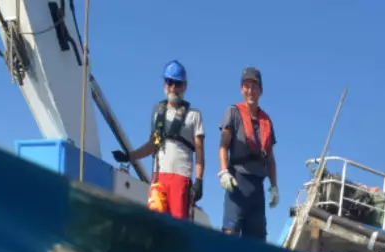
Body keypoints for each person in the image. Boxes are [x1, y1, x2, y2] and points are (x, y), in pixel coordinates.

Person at [112, 60, 205, 221]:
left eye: (177, 83)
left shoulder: (194, 115)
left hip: (181, 178)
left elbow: (200, 153)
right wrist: (129, 156)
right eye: (169, 82)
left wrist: (199, 181)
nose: (173, 88)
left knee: (178, 229)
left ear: (185, 86)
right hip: (159, 178)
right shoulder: (157, 112)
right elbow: (152, 144)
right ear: (164, 83)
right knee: (155, 225)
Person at [218, 67, 279, 239]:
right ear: (241, 89)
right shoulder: (233, 113)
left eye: (254, 87)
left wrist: (274, 187)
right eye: (246, 86)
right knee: (230, 237)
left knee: (256, 245)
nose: (250, 91)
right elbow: (223, 146)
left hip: (257, 190)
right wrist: (223, 172)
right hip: (237, 184)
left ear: (261, 90)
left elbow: (271, 160)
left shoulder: (267, 121)